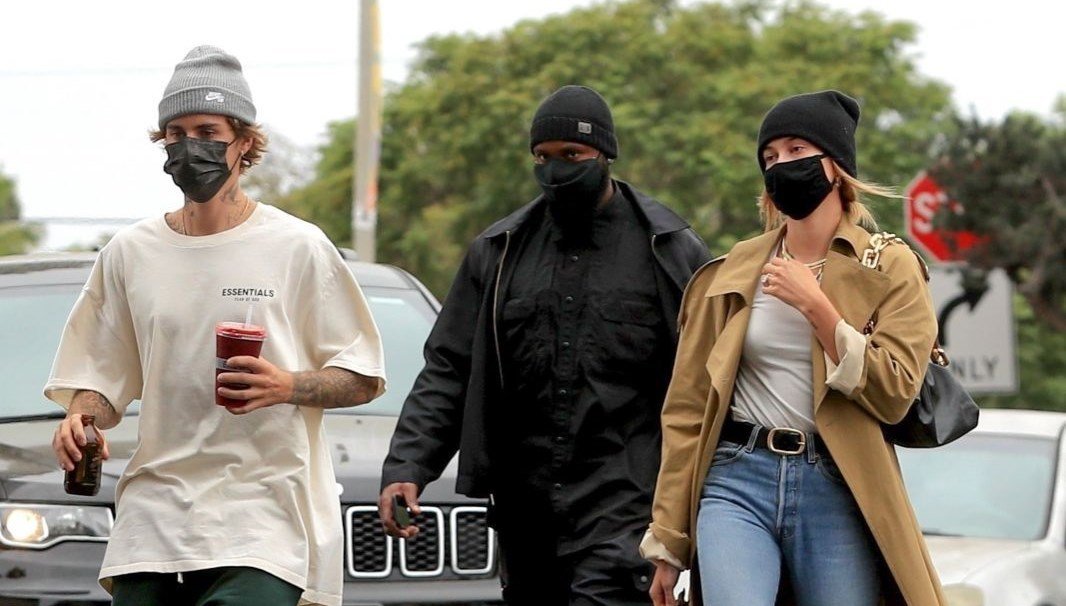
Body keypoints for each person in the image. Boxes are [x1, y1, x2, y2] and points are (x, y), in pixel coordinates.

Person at [46, 45, 386, 606]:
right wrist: (80, 419)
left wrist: (287, 385)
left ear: (244, 141)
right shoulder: (130, 252)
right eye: (175, 134)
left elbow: (362, 377)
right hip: (155, 511)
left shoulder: (297, 246)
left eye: (207, 131)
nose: (190, 147)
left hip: (263, 510)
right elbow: (102, 380)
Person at [378, 85, 711, 605]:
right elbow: (449, 367)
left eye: (572, 155)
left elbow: (709, 381)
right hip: (525, 514)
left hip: (628, 507)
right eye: (543, 157)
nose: (556, 170)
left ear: (605, 154)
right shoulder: (499, 251)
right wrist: (408, 466)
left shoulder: (668, 250)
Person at [641, 90, 946, 606]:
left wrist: (818, 308)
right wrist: (668, 540)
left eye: (797, 150)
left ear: (836, 166)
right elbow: (688, 409)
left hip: (838, 483)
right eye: (770, 156)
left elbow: (895, 391)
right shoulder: (731, 274)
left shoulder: (891, 266)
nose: (781, 164)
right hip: (736, 479)